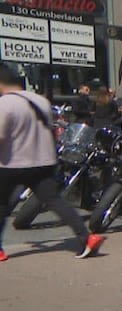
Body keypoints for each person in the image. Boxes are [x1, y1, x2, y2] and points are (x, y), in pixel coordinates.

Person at [0, 64, 105, 261]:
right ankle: (86, 237)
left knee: (2, 205)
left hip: (13, 163)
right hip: (43, 160)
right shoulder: (41, 101)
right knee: (56, 201)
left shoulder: (5, 104)